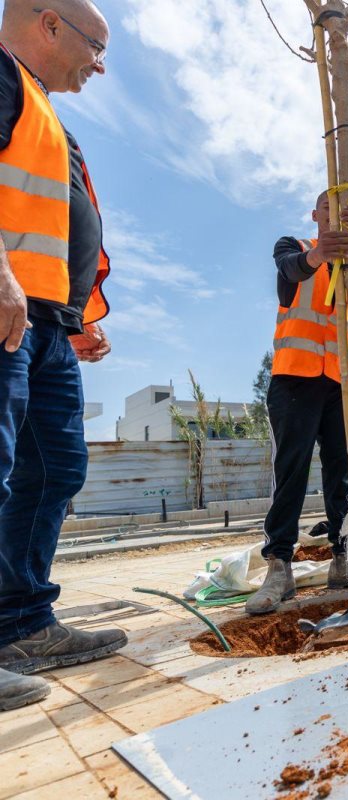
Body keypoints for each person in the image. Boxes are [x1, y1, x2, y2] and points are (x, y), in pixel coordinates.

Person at [0, 1, 124, 711]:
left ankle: (21, 625)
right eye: (94, 45)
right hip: (8, 310)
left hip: (44, 322)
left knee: (55, 469)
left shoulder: (44, 113)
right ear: (50, 23)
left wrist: (73, 316)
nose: (99, 64)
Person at [245, 193, 348, 615]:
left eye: (347, 209)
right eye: (329, 208)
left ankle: (343, 560)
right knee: (290, 471)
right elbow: (289, 270)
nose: (336, 215)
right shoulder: (296, 248)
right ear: (316, 215)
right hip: (294, 380)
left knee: (342, 475)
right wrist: (320, 253)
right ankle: (280, 566)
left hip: (342, 383)